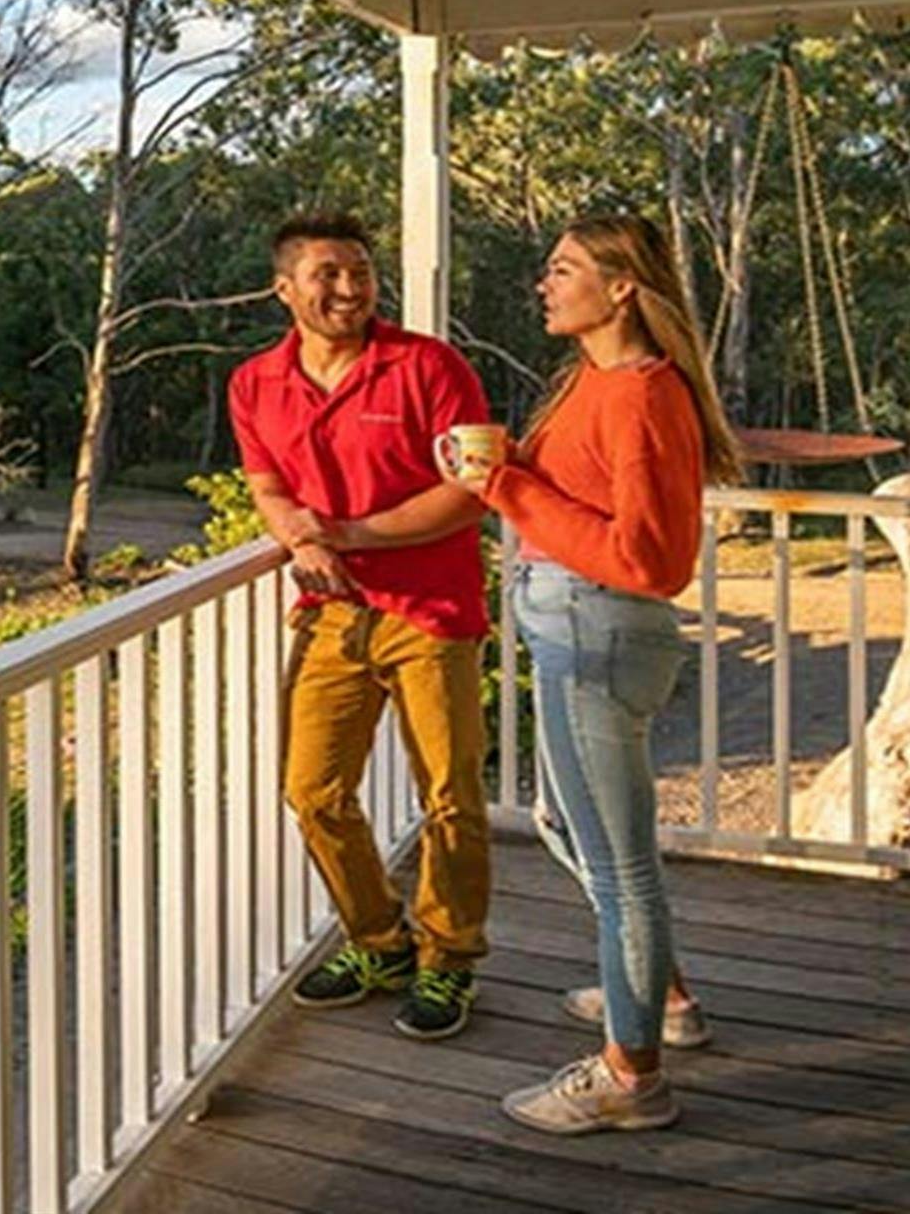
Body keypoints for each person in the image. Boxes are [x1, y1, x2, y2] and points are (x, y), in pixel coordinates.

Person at [455, 212, 742, 1134]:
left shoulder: (639, 394)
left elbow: (651, 560)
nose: (545, 282)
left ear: (621, 286)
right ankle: (663, 999)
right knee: (559, 821)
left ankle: (632, 1076)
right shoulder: (593, 379)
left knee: (624, 871)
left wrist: (507, 488)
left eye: (563, 267)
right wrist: (501, 471)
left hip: (599, 633)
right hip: (572, 626)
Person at [229, 210, 494, 1040]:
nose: (349, 288)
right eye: (328, 275)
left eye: (360, 272)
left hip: (432, 613)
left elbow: (472, 485)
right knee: (312, 790)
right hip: (333, 615)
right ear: (286, 289)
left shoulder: (428, 366)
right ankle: (380, 940)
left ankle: (449, 958)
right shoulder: (254, 383)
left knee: (450, 793)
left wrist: (349, 534)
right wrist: (300, 536)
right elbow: (268, 484)